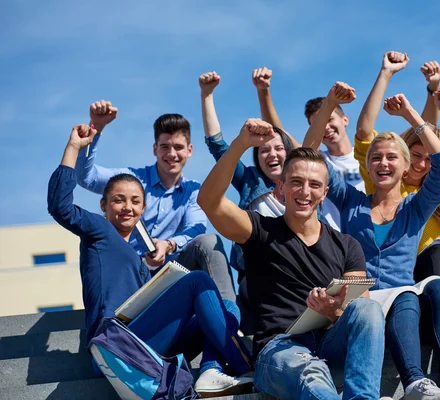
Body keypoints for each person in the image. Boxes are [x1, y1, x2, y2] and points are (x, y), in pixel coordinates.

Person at [48, 124, 253, 397]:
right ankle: (246, 365)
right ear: (103, 206)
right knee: (198, 282)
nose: (127, 207)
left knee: (224, 306)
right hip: (116, 344)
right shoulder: (99, 232)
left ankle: (210, 370)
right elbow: (60, 206)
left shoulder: (138, 261)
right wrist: (74, 147)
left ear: (143, 209)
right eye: (118, 200)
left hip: (149, 344)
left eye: (135, 201)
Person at [306, 79, 440, 400]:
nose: (383, 163)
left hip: (403, 307)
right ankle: (415, 380)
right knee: (406, 295)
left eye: (392, 157)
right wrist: (328, 104)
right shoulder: (350, 201)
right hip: (361, 302)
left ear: (406, 165)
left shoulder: (416, 206)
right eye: (376, 158)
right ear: (367, 164)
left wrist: (410, 113)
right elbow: (311, 155)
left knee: (434, 286)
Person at [198, 118, 386, 400]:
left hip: (330, 346)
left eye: (314, 185)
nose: (304, 192)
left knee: (368, 310)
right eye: (296, 182)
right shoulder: (259, 231)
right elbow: (209, 201)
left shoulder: (347, 245)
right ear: (280, 186)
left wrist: (331, 312)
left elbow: (360, 309)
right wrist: (239, 144)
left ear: (325, 193)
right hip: (280, 351)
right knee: (308, 372)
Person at [354, 51, 440, 314]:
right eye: (415, 156)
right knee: (439, 255)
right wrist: (386, 74)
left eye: (428, 160)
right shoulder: (387, 183)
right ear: (402, 155)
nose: (421, 164)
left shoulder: (437, 192)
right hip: (409, 275)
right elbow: (365, 133)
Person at [74, 102, 235, 303]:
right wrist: (95, 129)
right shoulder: (130, 180)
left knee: (209, 241)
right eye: (165, 147)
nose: (172, 154)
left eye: (178, 147)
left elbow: (197, 228)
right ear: (154, 149)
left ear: (190, 150)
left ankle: (229, 316)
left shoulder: (194, 191)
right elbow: (84, 177)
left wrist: (169, 245)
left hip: (174, 272)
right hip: (130, 270)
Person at [199, 69, 300, 333]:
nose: (272, 154)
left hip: (297, 271)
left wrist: (264, 91)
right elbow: (218, 146)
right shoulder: (251, 181)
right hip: (256, 274)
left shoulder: (305, 187)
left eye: (279, 148)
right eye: (264, 150)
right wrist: (207, 95)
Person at [304, 78, 366, 232]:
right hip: (333, 240)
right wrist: (330, 102)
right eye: (319, 123)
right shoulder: (320, 161)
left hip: (367, 233)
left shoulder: (368, 156)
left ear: (345, 120)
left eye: (330, 119)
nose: (326, 127)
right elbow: (307, 151)